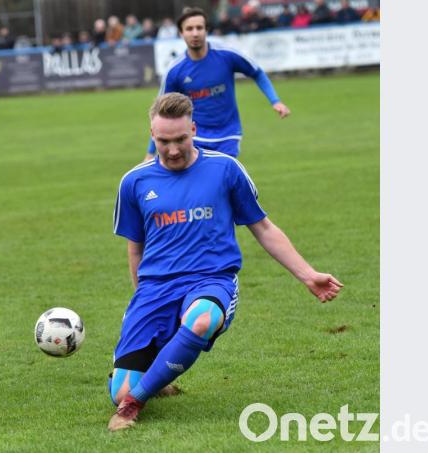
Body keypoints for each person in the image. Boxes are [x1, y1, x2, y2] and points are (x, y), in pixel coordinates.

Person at [109, 93, 343, 431]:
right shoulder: (134, 182)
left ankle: (132, 406)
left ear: (193, 128)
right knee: (119, 390)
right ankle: (140, 385)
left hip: (211, 279)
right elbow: (136, 250)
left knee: (202, 320)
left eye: (180, 139)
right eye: (162, 141)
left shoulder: (225, 169)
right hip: (156, 288)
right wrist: (141, 303)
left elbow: (262, 227)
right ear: (151, 134)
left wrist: (307, 275)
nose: (172, 149)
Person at [144, 7, 290, 159]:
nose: (195, 33)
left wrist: (275, 101)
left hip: (228, 134)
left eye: (199, 28)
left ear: (206, 30)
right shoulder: (175, 71)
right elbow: (162, 112)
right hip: (195, 136)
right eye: (189, 29)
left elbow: (257, 72)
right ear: (181, 33)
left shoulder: (227, 55)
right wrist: (150, 152)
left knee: (221, 179)